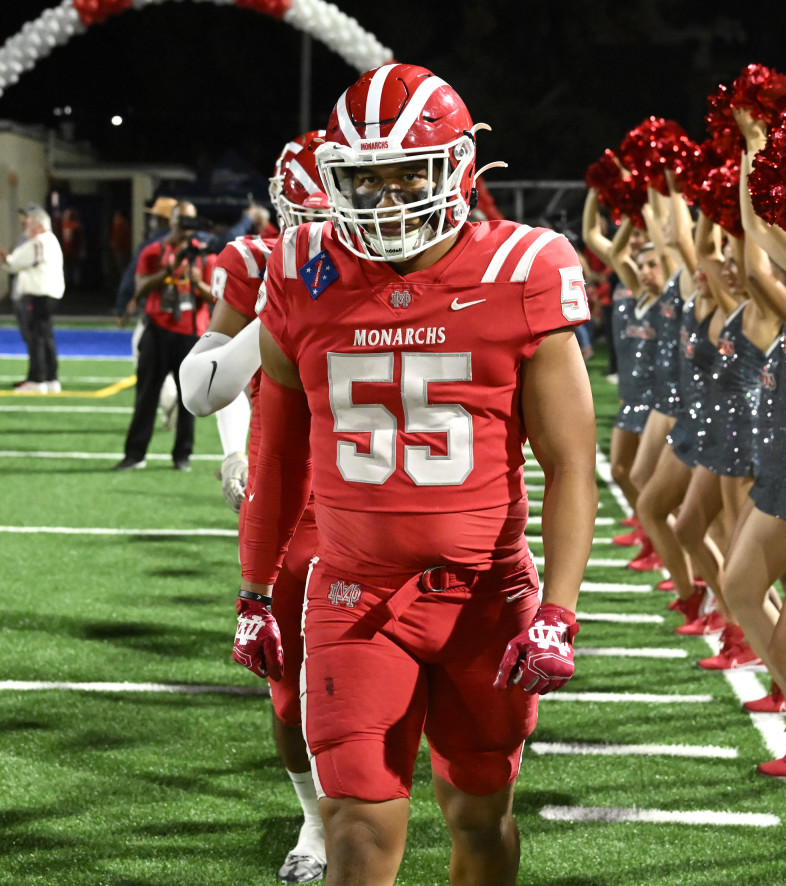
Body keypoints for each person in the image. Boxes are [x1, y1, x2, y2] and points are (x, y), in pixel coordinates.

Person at [230, 63, 596, 886]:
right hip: (353, 595)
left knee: (479, 817)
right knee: (355, 828)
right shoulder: (302, 272)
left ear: (459, 169)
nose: (387, 200)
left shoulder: (523, 269)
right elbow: (277, 454)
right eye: (365, 180)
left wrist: (559, 612)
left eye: (408, 176)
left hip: (483, 595)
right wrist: (255, 590)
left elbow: (573, 464)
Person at [179, 131, 331, 885]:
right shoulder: (255, 264)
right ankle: (315, 816)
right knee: (288, 690)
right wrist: (282, 302)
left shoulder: (410, 265)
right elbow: (204, 387)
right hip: (292, 501)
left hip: (384, 496)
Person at [114, 201, 214, 471]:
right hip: (157, 330)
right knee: (146, 396)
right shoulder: (154, 250)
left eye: (190, 221)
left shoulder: (205, 255)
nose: (186, 227)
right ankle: (135, 455)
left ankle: (182, 456)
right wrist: (168, 271)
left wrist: (197, 282)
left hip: (191, 333)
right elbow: (141, 285)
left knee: (188, 399)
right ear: (171, 221)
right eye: (182, 220)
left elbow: (216, 296)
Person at [1, 204, 66, 393]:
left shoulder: (38, 242)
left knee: (36, 337)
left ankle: (37, 380)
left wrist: (5, 258)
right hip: (49, 294)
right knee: (45, 336)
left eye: (29, 223)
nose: (26, 227)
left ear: (38, 225)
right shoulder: (51, 240)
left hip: (38, 295)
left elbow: (15, 263)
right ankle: (51, 378)